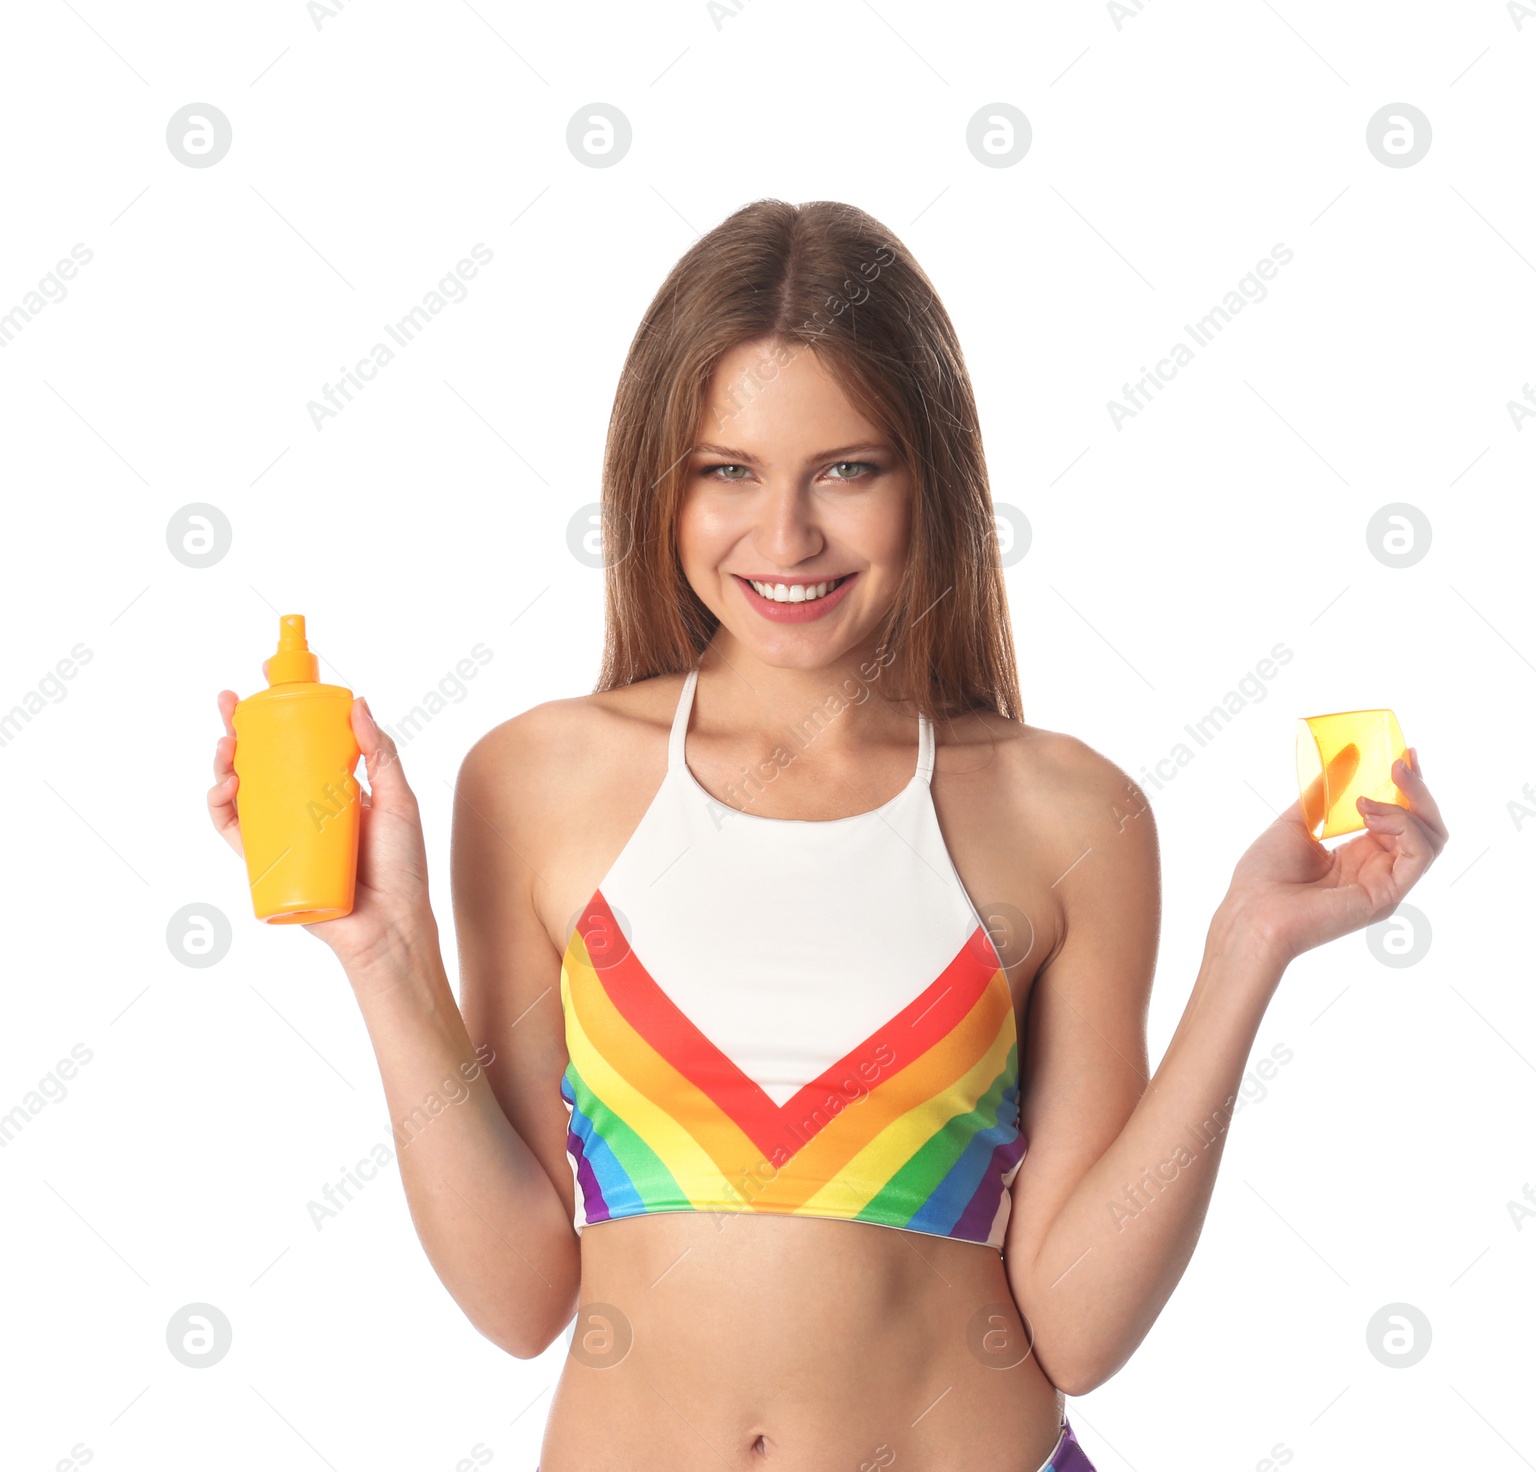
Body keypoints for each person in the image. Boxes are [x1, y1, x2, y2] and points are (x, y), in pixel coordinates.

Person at [208, 198, 1448, 1472]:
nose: (786, 536)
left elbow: (1077, 1326)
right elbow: (517, 1295)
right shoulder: (536, 780)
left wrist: (1248, 947)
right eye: (727, 470)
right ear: (659, 483)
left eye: (848, 468)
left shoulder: (1069, 812)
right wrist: (382, 954)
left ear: (933, 480)